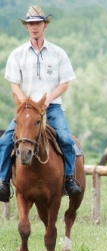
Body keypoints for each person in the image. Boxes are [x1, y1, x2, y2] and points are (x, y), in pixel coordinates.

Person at [0, 5, 81, 202]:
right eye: (30, 24)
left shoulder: (58, 53)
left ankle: (69, 179)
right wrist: (25, 102)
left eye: (37, 23)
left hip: (51, 107)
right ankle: (3, 182)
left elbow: (64, 84)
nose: (34, 27)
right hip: (27, 109)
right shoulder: (17, 54)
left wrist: (48, 99)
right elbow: (14, 85)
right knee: (4, 141)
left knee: (65, 139)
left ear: (45, 25)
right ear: (26, 27)